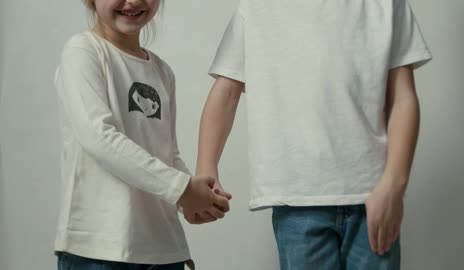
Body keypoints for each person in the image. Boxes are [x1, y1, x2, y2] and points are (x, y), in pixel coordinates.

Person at [196, 0, 432, 269]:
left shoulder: (387, 5)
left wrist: (393, 185)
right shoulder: (257, 7)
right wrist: (207, 168)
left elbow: (403, 98)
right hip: (297, 198)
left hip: (374, 194)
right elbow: (226, 91)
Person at [54, 0, 230, 269]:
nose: (134, 1)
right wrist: (181, 189)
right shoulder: (83, 52)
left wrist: (195, 199)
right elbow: (99, 137)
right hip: (100, 249)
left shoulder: (162, 71)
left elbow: (166, 153)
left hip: (163, 250)